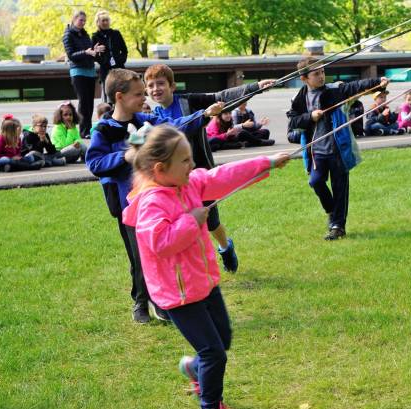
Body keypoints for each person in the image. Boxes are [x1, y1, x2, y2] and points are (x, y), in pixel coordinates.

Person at [121, 125, 290, 409]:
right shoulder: (151, 203)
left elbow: (222, 176)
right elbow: (160, 244)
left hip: (204, 284)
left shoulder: (189, 183)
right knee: (214, 352)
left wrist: (267, 162)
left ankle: (194, 368)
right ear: (160, 169)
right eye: (185, 160)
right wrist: (190, 221)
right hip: (178, 295)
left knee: (221, 341)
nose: (193, 165)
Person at [86, 68, 221, 324]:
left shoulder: (145, 122)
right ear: (119, 97)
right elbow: (94, 163)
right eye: (138, 94)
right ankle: (140, 302)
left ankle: (162, 302)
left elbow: (174, 127)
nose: (144, 97)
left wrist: (203, 115)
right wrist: (124, 156)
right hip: (129, 205)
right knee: (139, 257)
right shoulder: (104, 129)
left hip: (156, 200)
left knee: (161, 254)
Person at [144, 63, 275, 273]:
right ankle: (198, 268)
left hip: (201, 174)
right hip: (173, 180)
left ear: (172, 86)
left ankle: (225, 247)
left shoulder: (189, 101)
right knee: (184, 224)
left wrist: (255, 87)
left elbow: (222, 96)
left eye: (160, 83)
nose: (155, 89)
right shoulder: (152, 115)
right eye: (150, 85)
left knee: (212, 223)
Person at [287, 56, 388, 240]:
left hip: (338, 149)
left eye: (323, 72)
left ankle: (337, 226)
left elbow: (354, 87)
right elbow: (293, 120)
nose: (321, 77)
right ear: (304, 78)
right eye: (316, 74)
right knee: (315, 181)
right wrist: (311, 116)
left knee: (340, 187)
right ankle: (332, 210)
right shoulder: (299, 98)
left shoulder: (334, 91)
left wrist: (377, 82)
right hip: (316, 151)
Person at [63, 10, 104, 138]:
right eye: (81, 20)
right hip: (78, 72)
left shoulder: (85, 34)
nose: (83, 23)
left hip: (90, 72)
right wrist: (86, 52)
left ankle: (88, 129)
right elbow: (71, 56)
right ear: (74, 19)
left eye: (85, 21)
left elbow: (89, 52)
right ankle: (83, 131)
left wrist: (95, 51)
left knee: (90, 103)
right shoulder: (68, 35)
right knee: (83, 102)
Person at [91, 10, 128, 103]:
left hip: (119, 69)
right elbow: (93, 55)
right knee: (108, 96)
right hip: (105, 70)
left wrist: (121, 60)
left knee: (121, 92)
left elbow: (124, 50)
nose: (105, 22)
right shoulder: (95, 36)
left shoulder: (116, 33)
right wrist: (102, 60)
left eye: (107, 20)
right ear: (98, 22)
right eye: (103, 20)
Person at [206, 111, 274, 151]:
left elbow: (250, 128)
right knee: (242, 134)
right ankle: (259, 142)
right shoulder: (215, 123)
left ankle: (249, 143)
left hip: (233, 136)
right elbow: (214, 138)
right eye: (226, 114)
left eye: (229, 113)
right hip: (223, 139)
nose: (229, 115)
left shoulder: (248, 111)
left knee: (265, 132)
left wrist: (260, 124)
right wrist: (227, 134)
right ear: (220, 116)